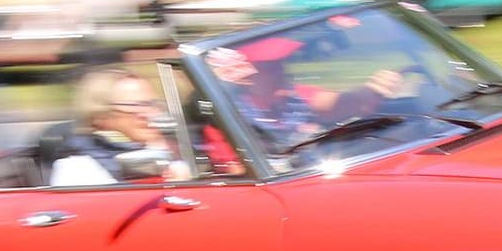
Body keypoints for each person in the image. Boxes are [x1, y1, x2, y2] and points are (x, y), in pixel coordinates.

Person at [204, 36, 403, 150]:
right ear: (245, 78)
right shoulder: (228, 121)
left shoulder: (293, 95)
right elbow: (237, 170)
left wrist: (370, 90)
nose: (282, 72)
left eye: (281, 64)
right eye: (270, 67)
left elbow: (337, 104)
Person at [42, 67, 187, 186]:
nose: (150, 113)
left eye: (153, 103)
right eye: (135, 105)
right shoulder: (78, 166)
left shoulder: (168, 149)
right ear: (101, 116)